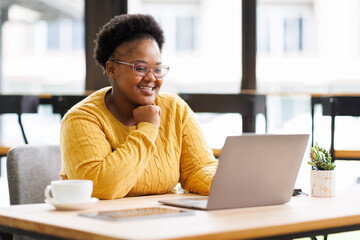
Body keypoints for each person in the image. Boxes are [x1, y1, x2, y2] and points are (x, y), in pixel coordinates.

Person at [60, 13, 218, 200]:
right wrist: (148, 128)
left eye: (158, 69)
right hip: (99, 223)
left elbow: (198, 169)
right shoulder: (81, 119)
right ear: (112, 69)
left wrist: (229, 183)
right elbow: (101, 188)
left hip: (163, 220)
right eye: (141, 68)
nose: (152, 77)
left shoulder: (175, 109)